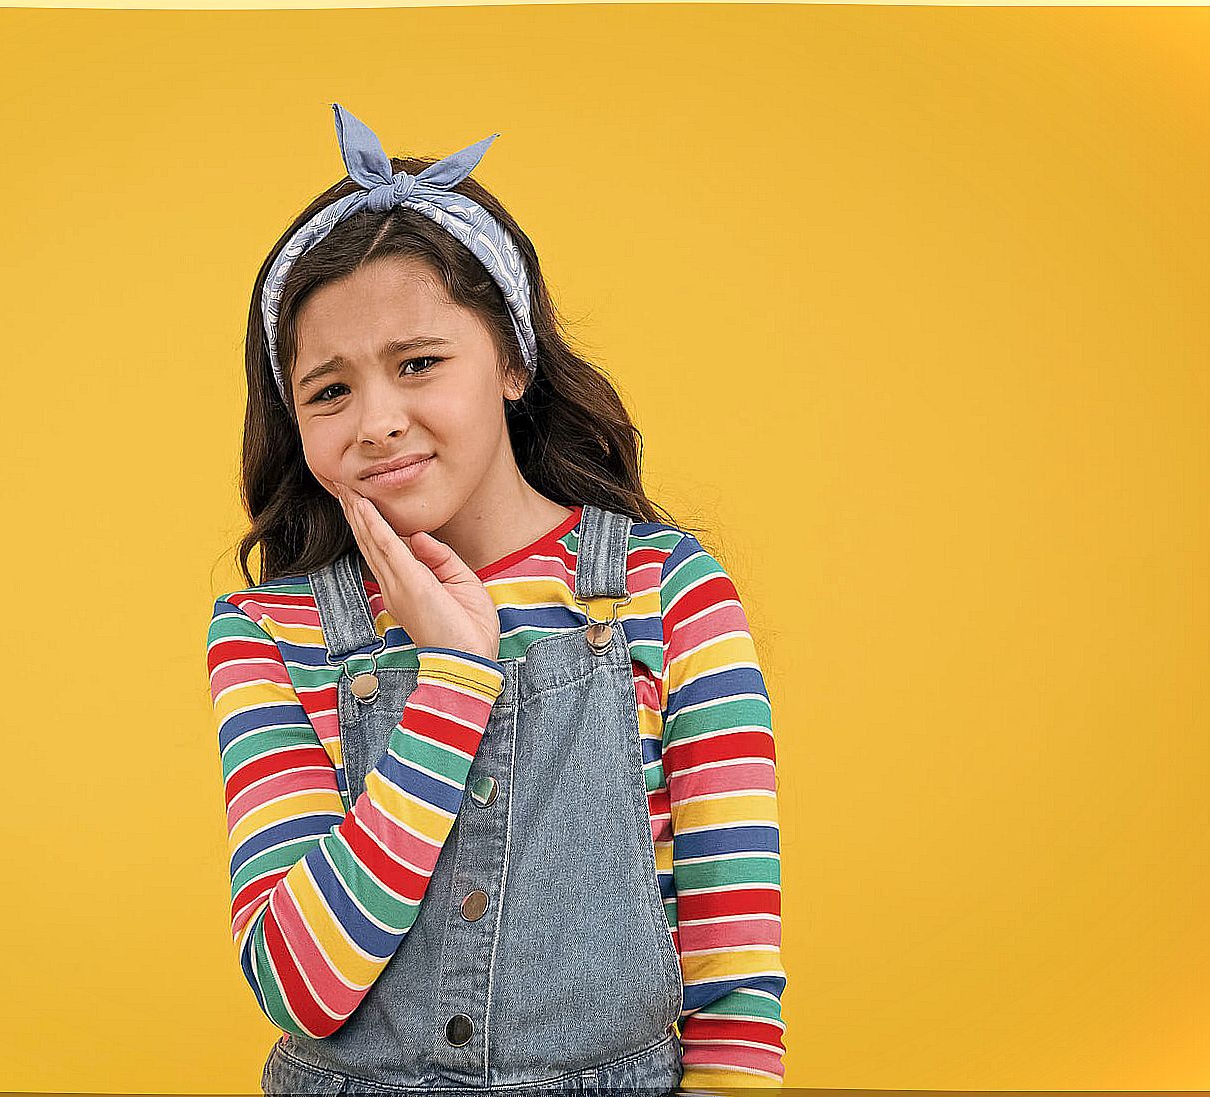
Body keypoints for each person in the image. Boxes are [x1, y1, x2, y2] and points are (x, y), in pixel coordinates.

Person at [204, 102, 786, 1095]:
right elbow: (301, 982)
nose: (378, 421)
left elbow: (734, 991)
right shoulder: (269, 630)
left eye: (418, 363)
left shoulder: (668, 591)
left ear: (512, 361)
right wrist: (454, 680)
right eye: (329, 391)